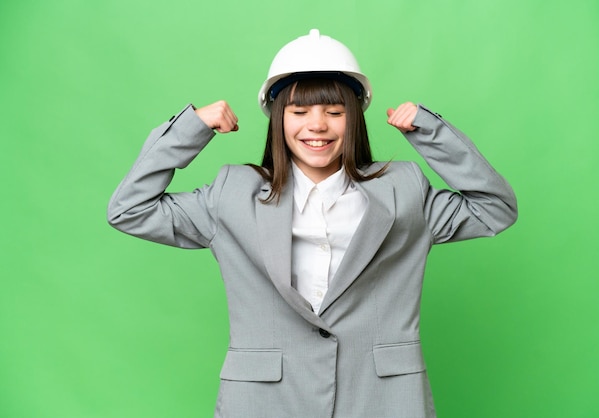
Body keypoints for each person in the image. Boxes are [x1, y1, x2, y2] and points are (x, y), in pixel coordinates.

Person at [108, 29, 517, 418]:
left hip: (381, 399)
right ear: (277, 120)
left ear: (353, 118)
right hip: (265, 401)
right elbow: (129, 209)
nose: (317, 125)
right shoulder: (232, 195)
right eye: (299, 111)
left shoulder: (404, 191)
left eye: (334, 112)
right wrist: (191, 129)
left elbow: (496, 207)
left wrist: (432, 133)